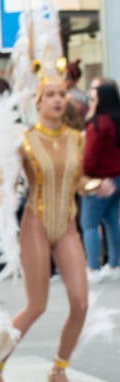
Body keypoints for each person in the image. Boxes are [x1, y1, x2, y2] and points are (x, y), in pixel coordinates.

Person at [0, 0, 106, 382]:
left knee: (81, 302)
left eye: (60, 93)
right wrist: (0, 188)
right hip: (34, 224)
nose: (56, 99)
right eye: (49, 94)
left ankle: (59, 368)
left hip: (66, 225)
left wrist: (95, 186)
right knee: (35, 306)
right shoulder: (24, 141)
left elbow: (79, 180)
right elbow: (7, 183)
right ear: (37, 100)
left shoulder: (76, 138)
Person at [81, 79, 120, 281]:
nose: (90, 102)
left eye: (93, 98)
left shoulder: (98, 123)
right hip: (118, 176)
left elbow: (90, 156)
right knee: (112, 220)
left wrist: (83, 176)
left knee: (89, 222)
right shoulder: (116, 120)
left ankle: (93, 268)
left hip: (99, 178)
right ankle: (115, 263)